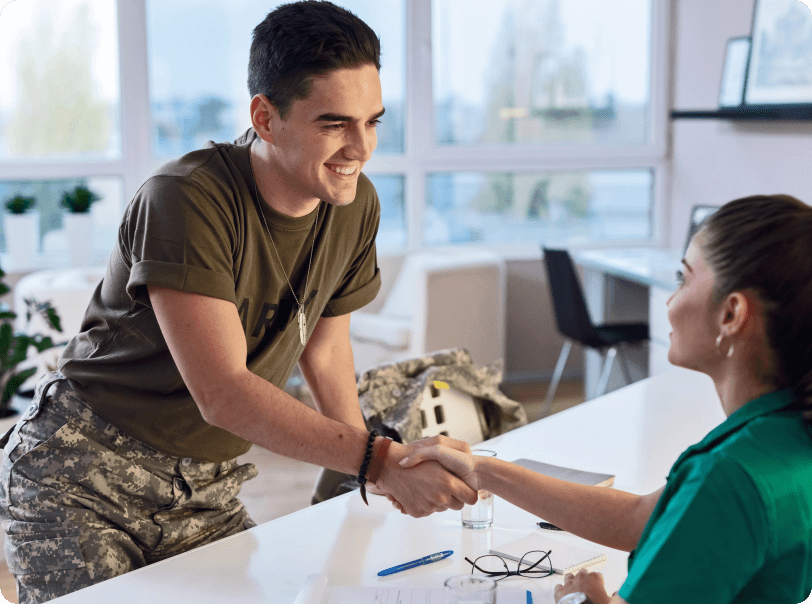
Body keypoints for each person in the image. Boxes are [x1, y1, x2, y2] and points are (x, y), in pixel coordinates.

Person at [0, 2, 475, 602]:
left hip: (205, 488)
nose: (361, 148)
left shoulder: (355, 205)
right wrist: (376, 459)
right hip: (81, 478)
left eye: (373, 121)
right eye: (334, 124)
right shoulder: (184, 199)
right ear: (266, 117)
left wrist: (363, 473)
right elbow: (223, 393)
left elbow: (325, 351)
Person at [399, 194, 812, 603]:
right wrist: (482, 471)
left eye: (683, 279)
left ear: (732, 315)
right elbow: (643, 519)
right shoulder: (784, 435)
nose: (670, 301)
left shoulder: (724, 478)